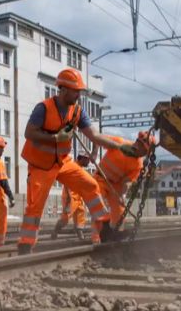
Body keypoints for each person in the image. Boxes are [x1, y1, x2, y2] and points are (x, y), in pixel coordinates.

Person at [18, 68, 139, 254]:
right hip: (41, 165)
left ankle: (106, 231)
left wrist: (119, 147)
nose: (79, 95)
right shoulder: (43, 108)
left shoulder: (77, 112)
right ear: (64, 89)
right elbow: (29, 133)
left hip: (63, 162)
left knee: (90, 185)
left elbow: (95, 136)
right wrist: (55, 138)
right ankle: (25, 246)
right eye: (76, 91)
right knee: (35, 207)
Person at [95, 131, 155, 228]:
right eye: (144, 151)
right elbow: (97, 139)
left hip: (115, 185)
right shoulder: (120, 143)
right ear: (139, 144)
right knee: (98, 205)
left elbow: (126, 183)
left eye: (146, 153)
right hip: (100, 178)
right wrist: (94, 153)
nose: (144, 154)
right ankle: (97, 236)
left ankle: (116, 232)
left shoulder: (138, 166)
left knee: (119, 212)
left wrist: (122, 195)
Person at [52, 154, 91, 241]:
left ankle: (80, 235)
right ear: (82, 159)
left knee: (80, 215)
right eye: (87, 160)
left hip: (78, 197)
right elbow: (66, 182)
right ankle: (55, 231)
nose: (89, 162)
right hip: (70, 196)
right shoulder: (72, 167)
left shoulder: (80, 169)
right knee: (66, 217)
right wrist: (69, 198)